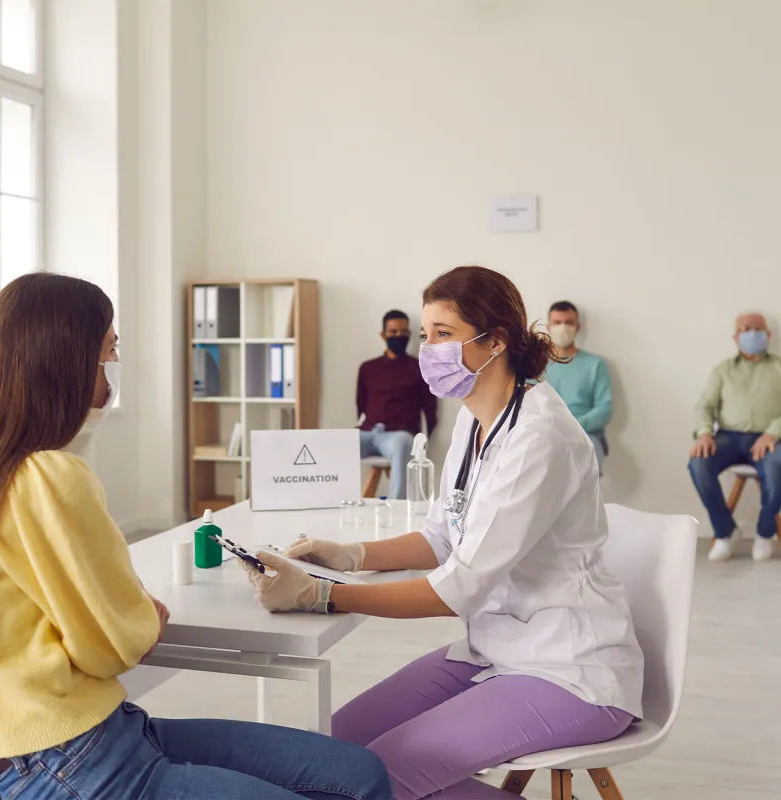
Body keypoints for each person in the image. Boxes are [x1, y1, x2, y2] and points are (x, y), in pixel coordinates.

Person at [0, 274, 391, 800]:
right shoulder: (51, 477)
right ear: (65, 359)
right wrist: (139, 614)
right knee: (361, 780)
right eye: (111, 349)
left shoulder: (1, 474)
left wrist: (126, 616)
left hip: (100, 735)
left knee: (360, 774)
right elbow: (118, 644)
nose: (115, 365)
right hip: (76, 760)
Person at [242, 267, 644, 800]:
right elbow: (441, 537)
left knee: (376, 774)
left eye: (445, 335)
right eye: (426, 334)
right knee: (328, 749)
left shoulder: (538, 436)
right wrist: (348, 554)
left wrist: (324, 597)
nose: (428, 349)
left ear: (496, 340)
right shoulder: (473, 419)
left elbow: (460, 587)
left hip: (568, 666)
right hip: (495, 647)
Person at [689, 312, 781, 563]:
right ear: (736, 337)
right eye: (745, 328)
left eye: (757, 328)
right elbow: (705, 405)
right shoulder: (723, 370)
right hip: (728, 437)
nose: (752, 333)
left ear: (768, 335)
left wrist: (772, 433)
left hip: (768, 439)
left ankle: (765, 532)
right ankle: (725, 530)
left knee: (777, 465)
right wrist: (704, 433)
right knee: (698, 463)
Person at [357, 310, 437, 499]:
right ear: (383, 335)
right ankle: (338, 504)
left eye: (403, 332)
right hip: (368, 432)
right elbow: (360, 404)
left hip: (398, 435)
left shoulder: (419, 367)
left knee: (403, 443)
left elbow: (430, 408)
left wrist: (423, 440)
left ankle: (396, 507)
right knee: (336, 443)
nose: (399, 337)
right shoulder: (368, 368)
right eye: (393, 332)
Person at [544, 300, 612, 473]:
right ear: (548, 326)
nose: (563, 327)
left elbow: (604, 409)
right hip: (544, 432)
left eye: (569, 322)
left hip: (585, 434)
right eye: (557, 323)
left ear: (577, 327)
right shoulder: (537, 365)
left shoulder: (595, 365)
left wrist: (574, 426)